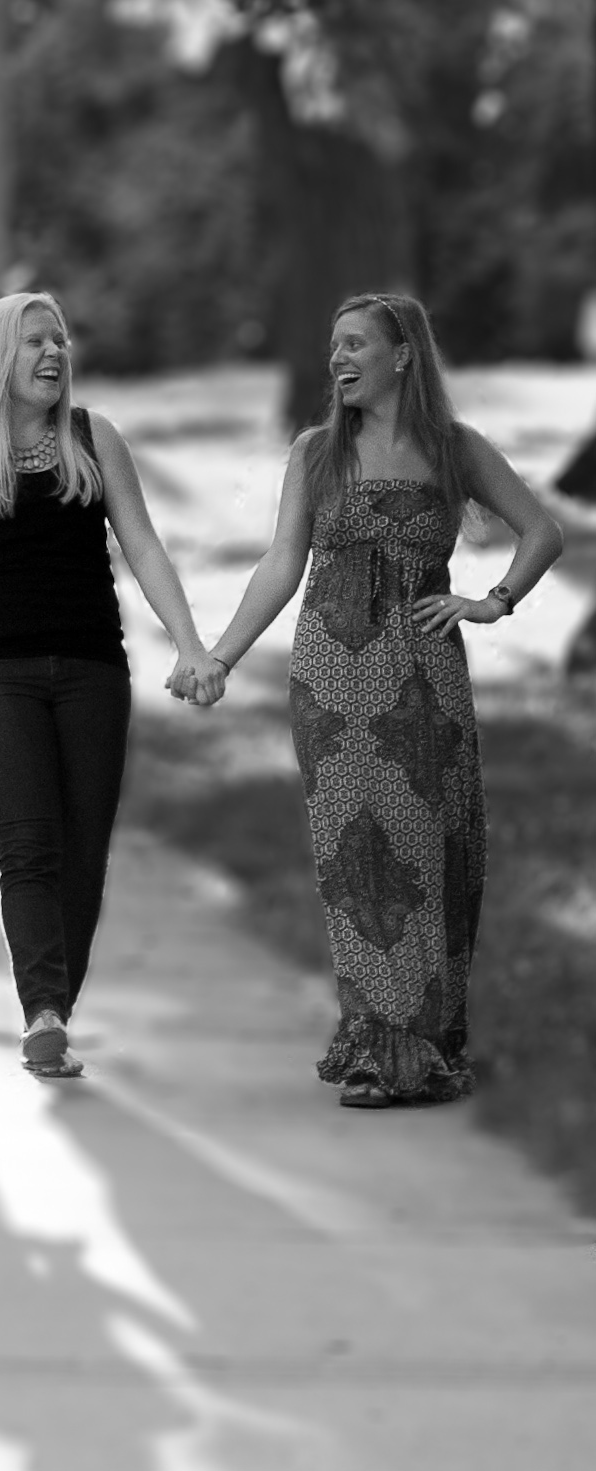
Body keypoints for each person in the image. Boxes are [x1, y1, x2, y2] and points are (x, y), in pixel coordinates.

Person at [206, 292, 562, 1108]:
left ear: (402, 356)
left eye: (355, 343)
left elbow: (542, 531)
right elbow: (281, 563)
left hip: (424, 677)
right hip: (329, 682)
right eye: (334, 344)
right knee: (353, 857)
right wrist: (221, 655)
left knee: (430, 854)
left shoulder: (455, 448)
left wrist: (493, 601)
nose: (338, 358)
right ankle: (374, 1046)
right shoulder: (315, 452)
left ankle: (427, 1045)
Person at [0, 292, 222, 1079]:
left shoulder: (93, 439)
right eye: (35, 341)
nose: (54, 353)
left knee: (83, 850)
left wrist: (191, 645)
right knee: (30, 842)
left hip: (93, 669)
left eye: (59, 340)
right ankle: (44, 1011)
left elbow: (143, 546)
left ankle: (54, 1006)